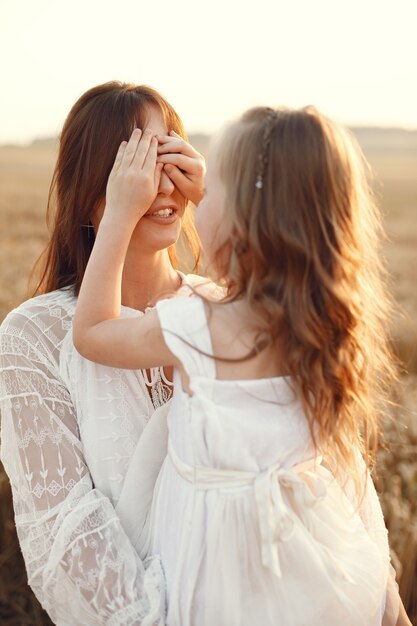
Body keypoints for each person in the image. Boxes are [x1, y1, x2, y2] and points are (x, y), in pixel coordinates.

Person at [72, 106, 412, 626]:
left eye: (212, 183)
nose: (191, 192)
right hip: (312, 572)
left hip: (218, 587)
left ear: (239, 220)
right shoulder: (318, 329)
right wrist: (231, 197)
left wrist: (118, 212)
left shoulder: (196, 326)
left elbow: (92, 332)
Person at [0, 81, 207, 624]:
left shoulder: (225, 311)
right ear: (92, 188)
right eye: (133, 165)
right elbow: (66, 533)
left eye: (166, 155)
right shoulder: (34, 336)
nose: (157, 185)